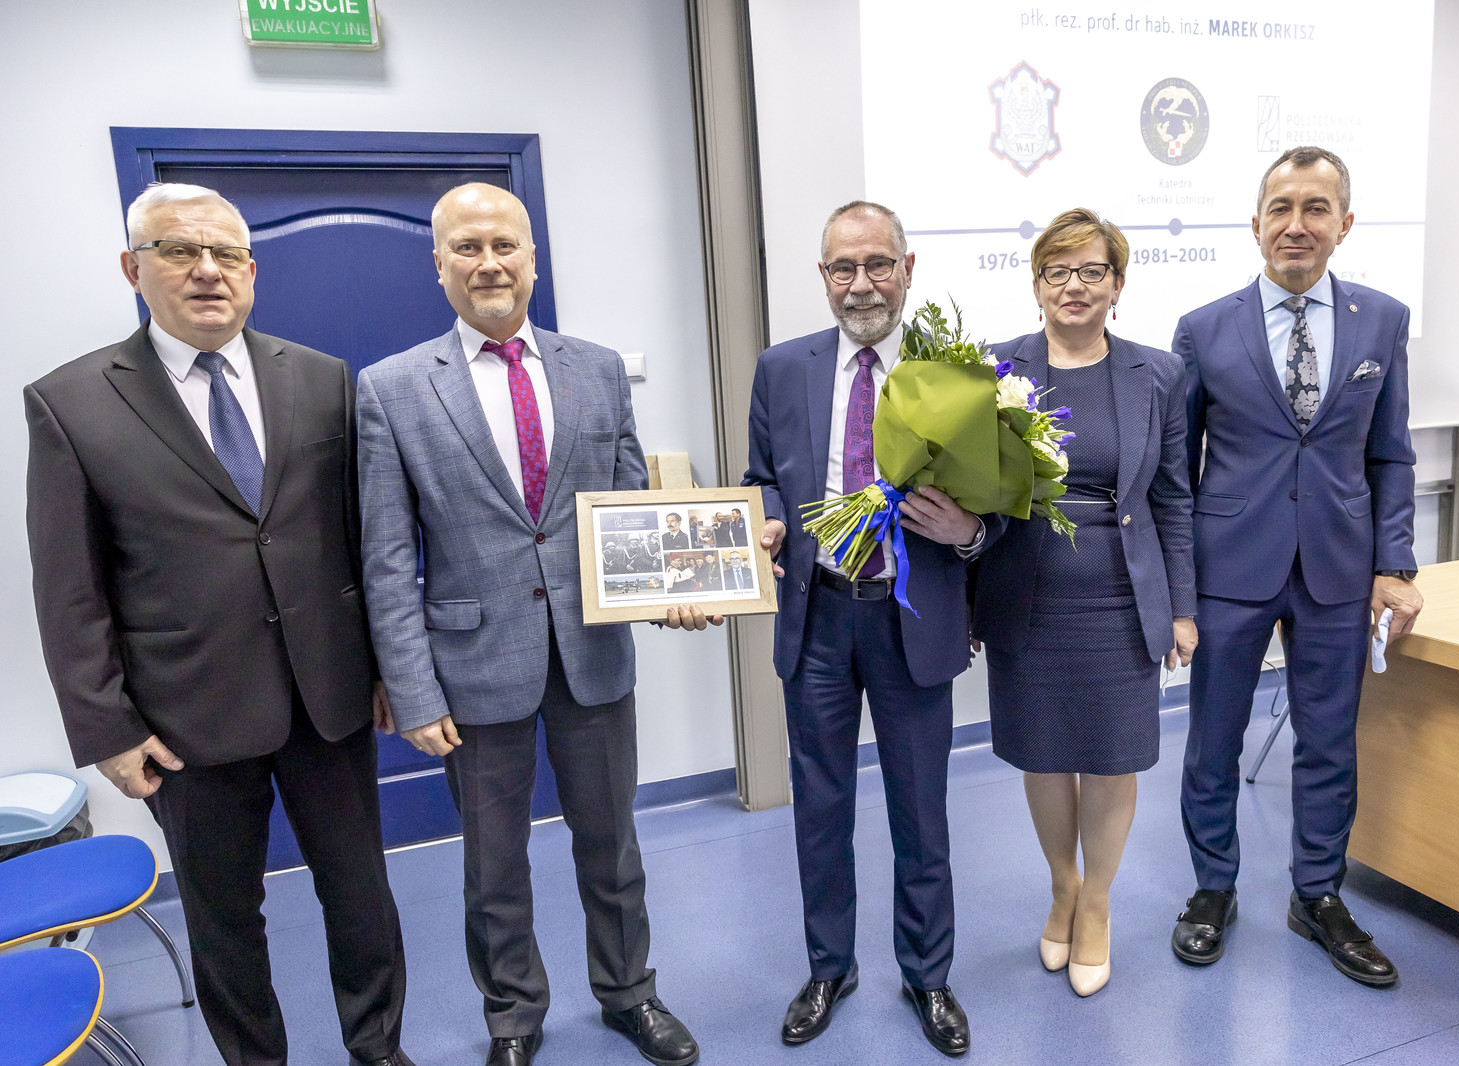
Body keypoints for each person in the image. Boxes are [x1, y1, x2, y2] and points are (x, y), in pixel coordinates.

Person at [24, 183, 413, 1066]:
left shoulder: (320, 378)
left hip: (329, 699)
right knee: (225, 918)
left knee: (361, 895)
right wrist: (107, 730)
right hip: (184, 718)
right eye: (178, 250)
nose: (207, 270)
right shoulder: (71, 402)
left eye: (227, 253)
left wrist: (388, 668)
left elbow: (359, 542)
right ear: (134, 268)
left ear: (251, 270)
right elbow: (69, 588)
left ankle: (379, 1046)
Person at [357, 183, 709, 1066]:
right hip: (472, 664)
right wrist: (412, 687)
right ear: (439, 264)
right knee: (493, 864)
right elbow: (386, 556)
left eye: (504, 245)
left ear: (532, 259)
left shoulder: (596, 369)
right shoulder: (392, 388)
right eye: (467, 248)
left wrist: (675, 582)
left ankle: (630, 993)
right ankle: (512, 1016)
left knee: (613, 843)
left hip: (593, 650)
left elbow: (630, 507)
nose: (489, 264)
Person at [744, 200, 1004, 1056]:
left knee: (920, 812)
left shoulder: (957, 376)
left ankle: (928, 974)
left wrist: (968, 531)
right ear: (823, 276)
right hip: (816, 617)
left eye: (878, 264)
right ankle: (830, 967)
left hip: (910, 617)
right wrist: (768, 516)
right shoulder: (782, 368)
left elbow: (1000, 504)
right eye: (843, 268)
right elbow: (760, 475)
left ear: (907, 268)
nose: (861, 285)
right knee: (820, 809)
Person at [1170, 147, 1423, 987]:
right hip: (1230, 568)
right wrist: (1179, 586)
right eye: (1281, 207)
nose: (1296, 224)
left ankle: (1318, 896)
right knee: (1213, 740)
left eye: (1316, 208)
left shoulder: (1383, 321)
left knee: (1328, 744)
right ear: (1255, 224)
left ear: (1344, 224)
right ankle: (1213, 889)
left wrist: (1395, 563)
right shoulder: (1203, 329)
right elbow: (1176, 471)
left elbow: (1391, 454)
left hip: (1339, 570)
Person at [971, 208, 1196, 997]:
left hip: (1121, 596)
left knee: (1111, 756)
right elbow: (969, 493)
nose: (1075, 285)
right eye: (1058, 271)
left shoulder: (1158, 374)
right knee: (1043, 751)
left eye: (1092, 271)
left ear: (1117, 284)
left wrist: (1182, 608)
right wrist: (965, 603)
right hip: (1024, 593)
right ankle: (1061, 885)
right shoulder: (994, 369)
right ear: (1037, 285)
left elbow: (1173, 498)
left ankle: (1095, 901)